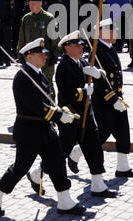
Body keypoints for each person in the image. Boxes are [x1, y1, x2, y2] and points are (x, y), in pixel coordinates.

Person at [0, 38, 86, 217]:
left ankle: (64, 200)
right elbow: (36, 106)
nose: (45, 57)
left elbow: (48, 100)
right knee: (21, 167)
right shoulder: (22, 78)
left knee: (56, 161)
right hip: (28, 130)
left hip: (45, 129)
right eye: (41, 54)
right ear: (29, 56)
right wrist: (58, 116)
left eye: (45, 54)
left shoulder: (40, 74)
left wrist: (60, 110)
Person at [29, 31, 117, 199]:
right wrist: (84, 91)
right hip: (71, 117)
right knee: (61, 152)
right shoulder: (63, 67)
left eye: (81, 44)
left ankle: (98, 184)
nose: (81, 47)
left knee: (94, 149)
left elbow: (99, 77)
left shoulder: (83, 62)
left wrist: (98, 75)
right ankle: (37, 172)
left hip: (87, 115)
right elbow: (68, 94)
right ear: (67, 48)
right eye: (77, 45)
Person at [69, 19, 133, 178]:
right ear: (102, 33)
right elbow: (99, 82)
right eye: (113, 30)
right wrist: (112, 99)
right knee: (101, 133)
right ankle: (75, 153)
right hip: (104, 101)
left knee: (123, 132)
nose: (116, 32)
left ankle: (123, 167)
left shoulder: (109, 48)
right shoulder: (97, 52)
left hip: (117, 97)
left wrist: (118, 98)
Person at [17, 0, 60, 98]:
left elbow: (55, 39)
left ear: (40, 4)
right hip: (30, 57)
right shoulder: (26, 18)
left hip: (45, 56)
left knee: (47, 81)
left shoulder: (49, 18)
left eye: (34, 4)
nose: (31, 6)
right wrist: (20, 54)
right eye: (30, 4)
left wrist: (54, 55)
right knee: (30, 82)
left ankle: (51, 104)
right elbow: (21, 37)